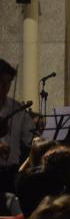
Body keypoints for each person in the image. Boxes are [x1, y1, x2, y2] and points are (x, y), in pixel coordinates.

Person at [0, 59, 35, 194]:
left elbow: (30, 138)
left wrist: (39, 136)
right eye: (2, 82)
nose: (6, 87)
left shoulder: (17, 108)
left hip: (12, 172)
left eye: (8, 82)